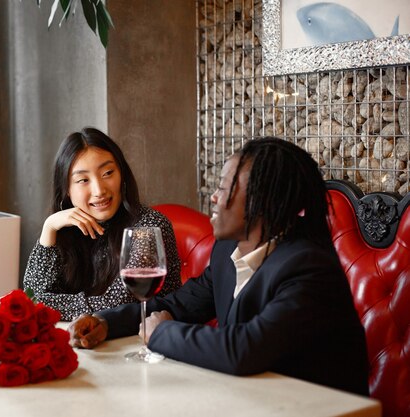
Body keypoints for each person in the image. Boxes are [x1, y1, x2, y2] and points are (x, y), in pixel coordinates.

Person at [68, 137, 370, 396]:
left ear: (261, 201)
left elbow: (244, 350)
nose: (213, 197)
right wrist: (105, 323)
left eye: (225, 189)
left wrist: (161, 334)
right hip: (252, 401)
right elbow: (179, 304)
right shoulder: (228, 252)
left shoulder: (309, 269)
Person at [23, 127, 181, 321]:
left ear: (121, 174)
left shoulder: (148, 227)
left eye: (107, 173)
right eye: (83, 180)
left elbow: (115, 305)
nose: (99, 190)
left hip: (144, 341)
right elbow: (31, 294)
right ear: (66, 190)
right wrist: (49, 227)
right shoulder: (67, 229)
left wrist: (45, 304)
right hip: (93, 342)